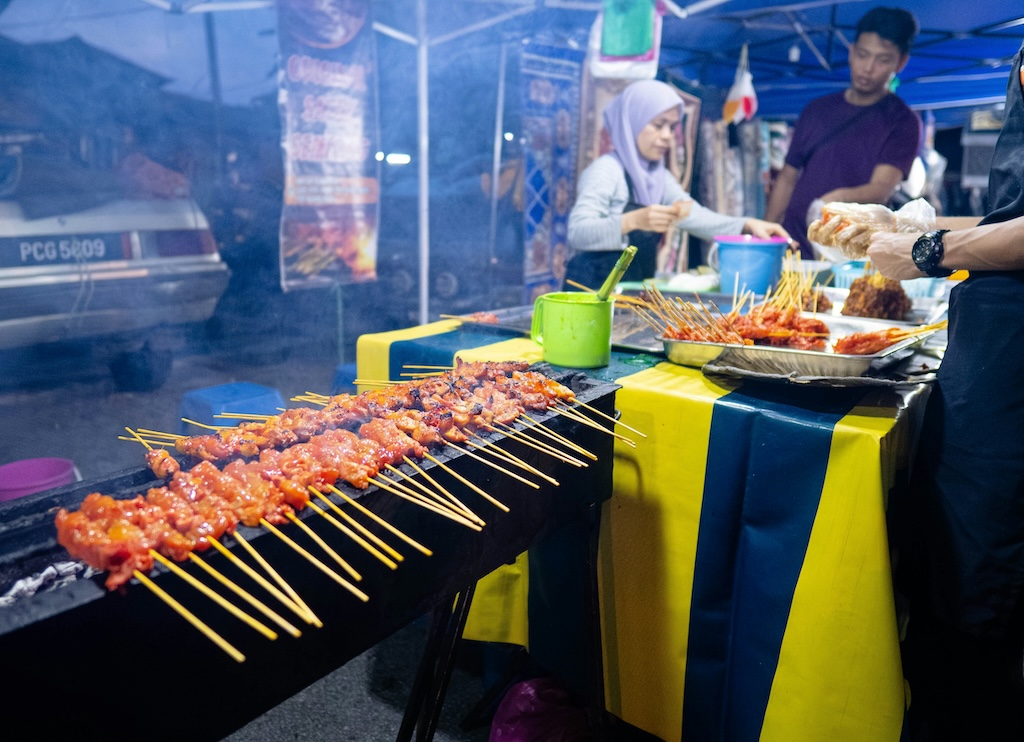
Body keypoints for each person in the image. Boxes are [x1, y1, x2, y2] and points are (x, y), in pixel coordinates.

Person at [862, 38, 1024, 741]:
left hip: (1011, 372)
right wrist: (914, 230)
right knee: (952, 555)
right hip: (991, 351)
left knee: (981, 570)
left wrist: (927, 253)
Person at [565, 79, 788, 289]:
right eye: (658, 125)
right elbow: (578, 232)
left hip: (628, 289)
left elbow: (694, 215)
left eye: (672, 128)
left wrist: (747, 225)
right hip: (589, 292)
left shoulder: (659, 176)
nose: (667, 136)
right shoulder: (606, 170)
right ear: (632, 122)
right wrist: (632, 220)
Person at [764, 6, 921, 258]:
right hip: (793, 245)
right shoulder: (816, 110)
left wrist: (835, 200)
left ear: (901, 62)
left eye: (882, 60)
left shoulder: (902, 121)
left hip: (849, 254)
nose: (868, 68)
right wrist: (769, 232)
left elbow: (881, 189)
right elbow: (787, 177)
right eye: (862, 54)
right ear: (850, 52)